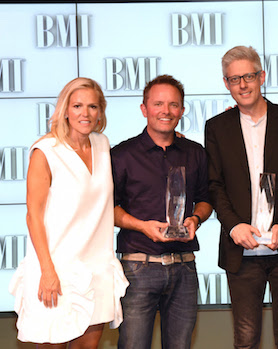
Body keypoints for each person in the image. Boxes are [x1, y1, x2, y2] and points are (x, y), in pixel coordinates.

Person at [205, 45, 278, 349]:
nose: (242, 85)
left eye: (248, 77)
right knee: (245, 340)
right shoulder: (216, 127)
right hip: (241, 253)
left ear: (262, 77)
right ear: (226, 83)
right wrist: (233, 226)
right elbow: (214, 185)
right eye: (234, 79)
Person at [9, 78, 128, 348]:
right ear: (65, 109)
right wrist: (48, 271)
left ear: (101, 112)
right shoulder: (46, 151)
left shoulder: (102, 144)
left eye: (92, 106)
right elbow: (33, 216)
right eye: (77, 106)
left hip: (97, 267)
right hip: (57, 271)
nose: (85, 113)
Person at [111, 74, 213, 349]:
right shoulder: (121, 155)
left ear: (181, 110)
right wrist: (142, 226)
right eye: (158, 104)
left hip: (184, 267)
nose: (165, 111)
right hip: (138, 267)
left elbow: (205, 199)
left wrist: (196, 218)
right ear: (144, 109)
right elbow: (110, 210)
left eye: (173, 105)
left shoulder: (196, 153)